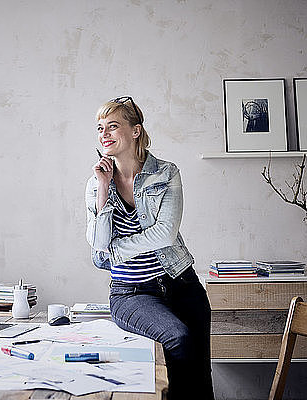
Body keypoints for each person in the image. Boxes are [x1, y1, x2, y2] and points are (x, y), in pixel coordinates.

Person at [85, 96, 214, 399]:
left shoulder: (166, 173)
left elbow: (165, 234)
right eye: (100, 128)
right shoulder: (95, 183)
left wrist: (118, 251)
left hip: (183, 285)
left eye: (112, 126)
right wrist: (104, 187)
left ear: (135, 131)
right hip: (132, 293)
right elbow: (99, 245)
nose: (104, 134)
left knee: (200, 376)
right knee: (178, 338)